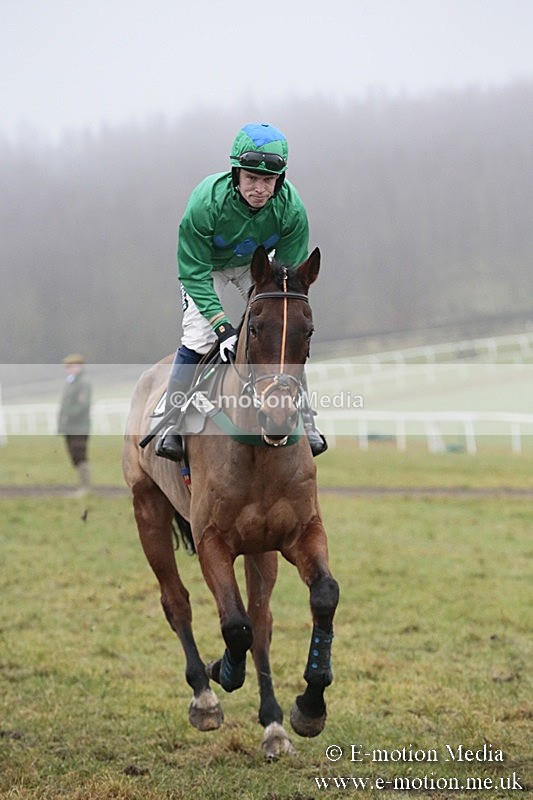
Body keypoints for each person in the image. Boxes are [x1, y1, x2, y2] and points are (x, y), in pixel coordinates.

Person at [156, 122, 327, 461]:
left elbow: (287, 283)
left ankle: (305, 417)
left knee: (282, 330)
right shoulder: (206, 203)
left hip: (258, 266)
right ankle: (170, 422)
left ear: (280, 179)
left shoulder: (292, 210)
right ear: (236, 173)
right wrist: (222, 327)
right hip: (207, 269)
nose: (260, 188)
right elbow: (193, 272)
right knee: (200, 336)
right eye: (251, 178)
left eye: (268, 180)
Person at [58, 354, 92, 495]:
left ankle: (85, 487)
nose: (68, 369)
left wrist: (68, 414)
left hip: (79, 426)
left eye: (71, 366)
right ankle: (82, 486)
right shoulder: (71, 383)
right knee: (74, 456)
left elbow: (82, 405)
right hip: (70, 427)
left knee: (80, 454)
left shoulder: (83, 383)